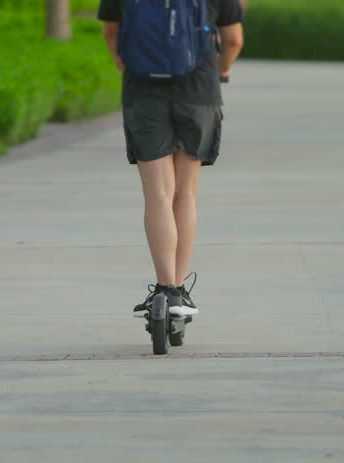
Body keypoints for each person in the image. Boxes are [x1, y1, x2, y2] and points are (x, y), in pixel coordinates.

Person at [97, 0, 244, 318]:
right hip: (199, 92)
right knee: (185, 194)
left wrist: (128, 68)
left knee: (158, 195)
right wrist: (222, 70)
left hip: (143, 94)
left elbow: (111, 33)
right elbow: (233, 40)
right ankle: (178, 292)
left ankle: (164, 288)